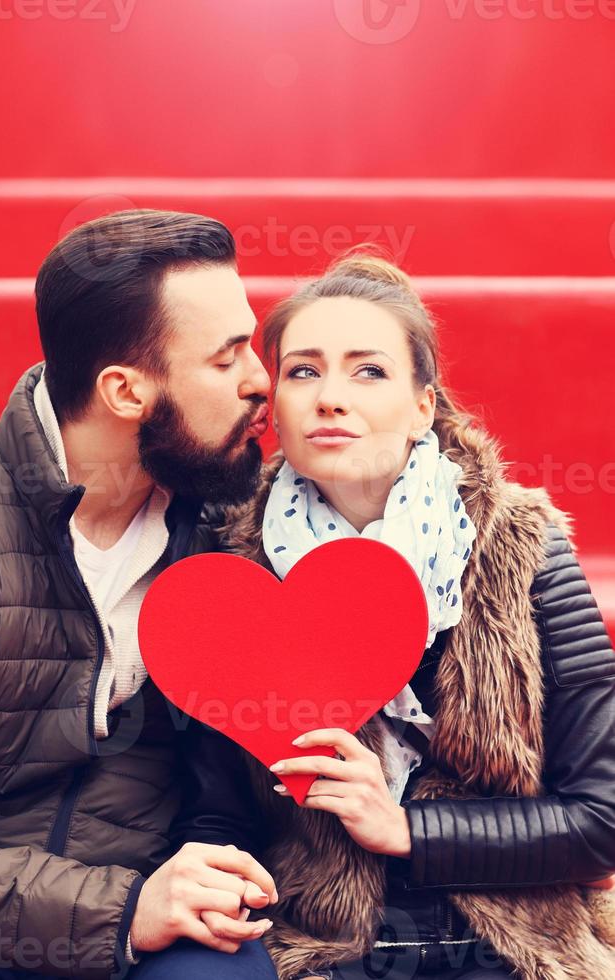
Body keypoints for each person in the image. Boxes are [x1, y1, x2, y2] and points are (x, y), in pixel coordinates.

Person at [215, 252, 615, 979]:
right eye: (302, 370)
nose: (330, 397)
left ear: (422, 407)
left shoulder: (519, 548)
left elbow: (601, 819)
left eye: (368, 371)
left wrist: (405, 829)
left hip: (516, 950)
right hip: (322, 953)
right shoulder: (235, 572)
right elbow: (213, 809)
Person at [0, 210, 280, 980]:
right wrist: (119, 910)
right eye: (226, 357)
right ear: (126, 391)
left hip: (153, 899)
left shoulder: (221, 523)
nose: (259, 381)